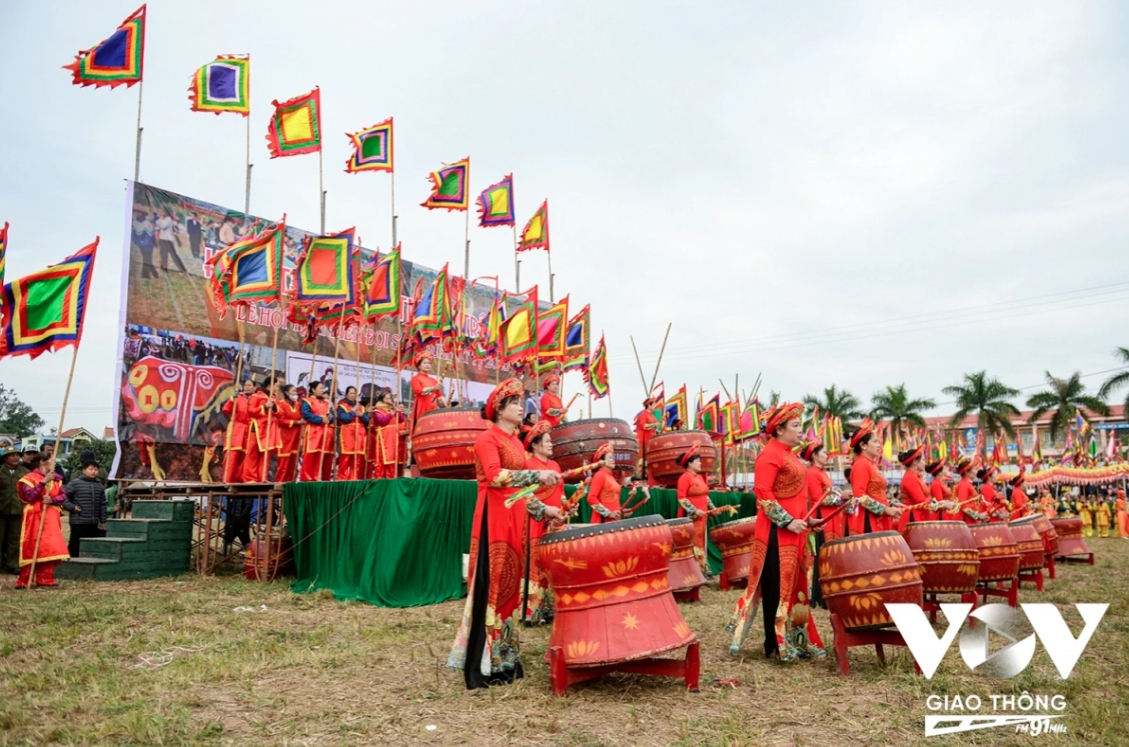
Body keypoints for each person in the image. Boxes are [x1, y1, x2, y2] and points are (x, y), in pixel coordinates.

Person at [447, 378, 563, 689]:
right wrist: (536, 473)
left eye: (519, 402)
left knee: (510, 588)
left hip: (513, 519)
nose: (519, 407)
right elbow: (497, 476)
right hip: (492, 520)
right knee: (492, 587)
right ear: (499, 409)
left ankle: (504, 661)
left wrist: (543, 510)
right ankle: (481, 667)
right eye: (513, 403)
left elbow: (520, 489)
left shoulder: (515, 442)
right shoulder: (487, 440)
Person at [727, 402, 824, 662]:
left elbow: (794, 497)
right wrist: (787, 521)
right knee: (776, 588)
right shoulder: (769, 454)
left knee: (796, 587)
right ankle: (776, 643)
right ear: (779, 430)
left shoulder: (790, 455)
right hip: (775, 533)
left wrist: (807, 520)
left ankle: (798, 640)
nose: (801, 430)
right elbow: (764, 495)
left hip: (795, 531)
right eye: (795, 426)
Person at [522, 420, 564, 624]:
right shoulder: (528, 465)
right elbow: (525, 495)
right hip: (536, 520)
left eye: (551, 441)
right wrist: (544, 510)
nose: (551, 444)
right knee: (535, 564)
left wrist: (567, 506)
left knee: (553, 563)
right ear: (535, 445)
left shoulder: (555, 466)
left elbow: (561, 493)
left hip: (556, 521)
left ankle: (549, 606)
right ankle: (532, 610)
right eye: (546, 441)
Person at [16, 454, 69, 588]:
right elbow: (29, 496)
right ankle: (25, 580)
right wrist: (43, 482)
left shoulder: (56, 479)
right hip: (34, 516)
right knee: (32, 546)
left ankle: (45, 579)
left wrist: (52, 500)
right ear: (42, 462)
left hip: (50, 516)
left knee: (49, 547)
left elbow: (62, 495)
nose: (54, 463)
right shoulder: (28, 478)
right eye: (52, 460)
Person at [801, 440, 840, 610]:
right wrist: (840, 497)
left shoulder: (822, 473)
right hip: (820, 518)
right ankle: (819, 595)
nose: (827, 455)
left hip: (829, 518)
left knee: (827, 556)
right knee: (820, 557)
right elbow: (819, 498)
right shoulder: (812, 473)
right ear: (815, 455)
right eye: (824, 452)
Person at [846, 420, 901, 535]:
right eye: (875, 441)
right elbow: (860, 496)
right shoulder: (861, 465)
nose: (878, 445)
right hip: (868, 520)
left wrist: (890, 503)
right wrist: (885, 509)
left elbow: (874, 494)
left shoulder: (870, 464)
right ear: (863, 445)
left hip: (879, 517)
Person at [676, 445, 717, 573]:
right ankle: (698, 571)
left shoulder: (699, 477)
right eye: (697, 461)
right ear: (689, 463)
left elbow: (705, 495)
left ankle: (702, 570)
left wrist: (713, 508)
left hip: (702, 516)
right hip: (692, 517)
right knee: (695, 542)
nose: (700, 463)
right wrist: (694, 511)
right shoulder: (684, 478)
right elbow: (682, 498)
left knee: (701, 541)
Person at [61, 451, 107, 557]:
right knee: (75, 544)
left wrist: (103, 520)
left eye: (96, 469)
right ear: (84, 470)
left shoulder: (99, 486)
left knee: (91, 544)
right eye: (91, 469)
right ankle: (71, 563)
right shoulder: (75, 483)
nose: (94, 472)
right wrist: (72, 507)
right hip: (78, 520)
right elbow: (62, 497)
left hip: (93, 521)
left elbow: (102, 504)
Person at [242, 378, 278, 483]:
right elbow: (250, 411)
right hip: (256, 428)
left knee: (265, 455)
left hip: (268, 429)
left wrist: (273, 405)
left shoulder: (273, 398)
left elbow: (280, 413)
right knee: (252, 454)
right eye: (275, 386)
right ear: (269, 385)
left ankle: (262, 478)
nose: (277, 388)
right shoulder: (256, 396)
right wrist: (264, 406)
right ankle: (250, 478)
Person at [300, 380, 335, 482]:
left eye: (323, 388)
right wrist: (320, 419)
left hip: (324, 431)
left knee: (320, 455)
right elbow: (306, 415)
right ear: (313, 390)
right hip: (313, 431)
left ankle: (316, 476)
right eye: (320, 388)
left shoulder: (326, 403)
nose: (322, 390)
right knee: (310, 455)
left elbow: (332, 417)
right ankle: (306, 477)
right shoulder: (307, 401)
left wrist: (331, 417)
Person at [0, 446, 28, 574]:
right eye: (12, 455)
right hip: (1, 509)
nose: (16, 457)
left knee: (15, 538)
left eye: (17, 455)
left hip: (18, 509)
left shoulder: (25, 472)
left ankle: (13, 564)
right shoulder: (0, 471)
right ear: (5, 458)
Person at [221, 379, 254, 483]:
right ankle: (227, 480)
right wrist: (232, 399)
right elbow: (226, 409)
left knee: (245, 458)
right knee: (232, 456)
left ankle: (239, 480)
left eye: (249, 385)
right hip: (236, 428)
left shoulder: (256, 399)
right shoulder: (238, 397)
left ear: (254, 388)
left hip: (249, 429)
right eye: (245, 385)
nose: (247, 387)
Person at [369, 388, 407, 479]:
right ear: (382, 399)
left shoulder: (392, 409)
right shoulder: (377, 410)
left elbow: (402, 420)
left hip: (393, 439)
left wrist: (395, 408)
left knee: (392, 461)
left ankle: (391, 482)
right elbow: (382, 421)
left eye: (390, 398)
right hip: (383, 439)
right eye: (386, 398)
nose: (388, 400)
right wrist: (391, 413)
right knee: (382, 461)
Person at [896, 446, 936, 531]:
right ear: (915, 462)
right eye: (923, 460)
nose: (925, 463)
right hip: (913, 518)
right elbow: (921, 502)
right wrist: (941, 505)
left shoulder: (916, 477)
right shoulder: (910, 478)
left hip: (920, 516)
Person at [336, 386, 369, 481]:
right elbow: (344, 419)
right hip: (348, 434)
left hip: (360, 434)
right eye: (351, 393)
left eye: (354, 393)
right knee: (346, 457)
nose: (353, 395)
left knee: (358, 459)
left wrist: (362, 415)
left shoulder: (361, 407)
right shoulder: (342, 405)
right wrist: (353, 412)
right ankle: (342, 479)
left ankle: (355, 478)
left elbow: (367, 421)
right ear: (346, 394)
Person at [273, 384, 304, 483]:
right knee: (283, 464)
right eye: (293, 391)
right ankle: (280, 484)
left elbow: (302, 418)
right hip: (285, 436)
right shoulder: (281, 404)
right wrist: (295, 422)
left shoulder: (298, 404)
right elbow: (281, 420)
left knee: (293, 464)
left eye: (296, 391)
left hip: (296, 437)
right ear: (287, 393)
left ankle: (291, 485)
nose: (296, 393)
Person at [586, 444, 624, 523]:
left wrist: (622, 511)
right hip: (603, 520)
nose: (613, 460)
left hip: (614, 519)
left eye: (613, 457)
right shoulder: (599, 475)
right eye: (610, 458)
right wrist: (607, 513)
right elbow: (591, 498)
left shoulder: (612, 477)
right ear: (602, 461)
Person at [410, 351, 446, 432]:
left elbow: (439, 394)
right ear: (419, 365)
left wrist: (444, 402)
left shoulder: (433, 380)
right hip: (422, 406)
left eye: (429, 363)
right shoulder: (415, 378)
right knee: (422, 428)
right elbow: (419, 391)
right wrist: (433, 388)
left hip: (433, 407)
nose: (427, 365)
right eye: (425, 363)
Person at [634, 396, 661, 478]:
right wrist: (654, 425)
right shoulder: (643, 414)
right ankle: (641, 474)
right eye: (654, 404)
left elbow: (654, 428)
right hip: (643, 439)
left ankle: (648, 474)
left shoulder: (652, 416)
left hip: (650, 439)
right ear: (649, 405)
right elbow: (643, 426)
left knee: (649, 457)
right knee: (642, 458)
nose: (655, 405)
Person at [950, 459, 983, 524]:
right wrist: (978, 516)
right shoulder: (964, 485)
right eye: (974, 469)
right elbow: (962, 505)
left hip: (970, 519)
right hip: (966, 521)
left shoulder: (967, 483)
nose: (976, 471)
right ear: (966, 472)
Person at [132, 209, 159, 279]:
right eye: (136, 212)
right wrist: (138, 242)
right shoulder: (135, 223)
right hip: (141, 244)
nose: (137, 213)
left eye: (139, 212)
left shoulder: (147, 223)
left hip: (148, 245)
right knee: (147, 259)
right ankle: (153, 274)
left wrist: (144, 243)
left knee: (147, 259)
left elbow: (150, 235)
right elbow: (134, 234)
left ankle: (146, 275)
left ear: (143, 213)